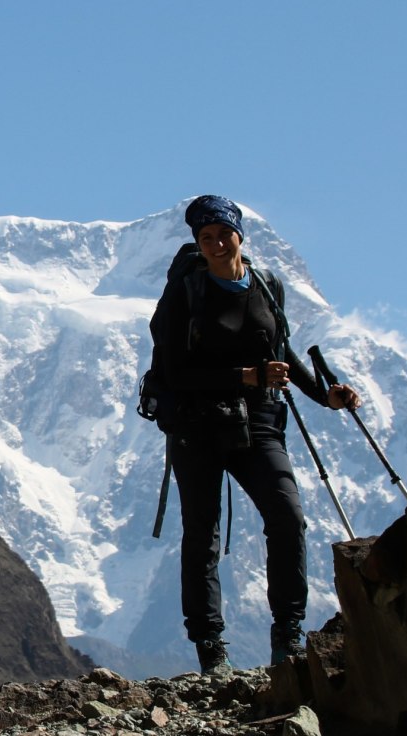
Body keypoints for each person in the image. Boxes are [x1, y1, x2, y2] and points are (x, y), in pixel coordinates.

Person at [148, 195, 358, 674]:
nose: (218, 244)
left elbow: (279, 349)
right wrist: (242, 377)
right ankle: (211, 649)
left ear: (239, 233)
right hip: (197, 423)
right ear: (197, 244)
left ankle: (289, 633)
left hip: (258, 422)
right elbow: (175, 372)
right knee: (202, 533)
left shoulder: (267, 285)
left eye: (224, 234)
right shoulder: (186, 293)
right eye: (206, 238)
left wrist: (324, 395)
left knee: (287, 517)